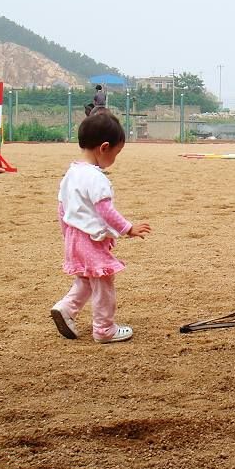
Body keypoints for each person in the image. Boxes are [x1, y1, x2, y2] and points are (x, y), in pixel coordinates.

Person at [50, 110, 151, 343]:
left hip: (73, 236)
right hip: (90, 239)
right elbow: (106, 211)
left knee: (87, 279)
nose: (114, 159)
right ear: (104, 148)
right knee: (104, 283)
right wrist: (129, 228)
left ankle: (66, 308)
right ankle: (104, 329)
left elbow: (62, 208)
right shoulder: (96, 178)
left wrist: (67, 236)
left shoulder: (71, 173)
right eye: (116, 153)